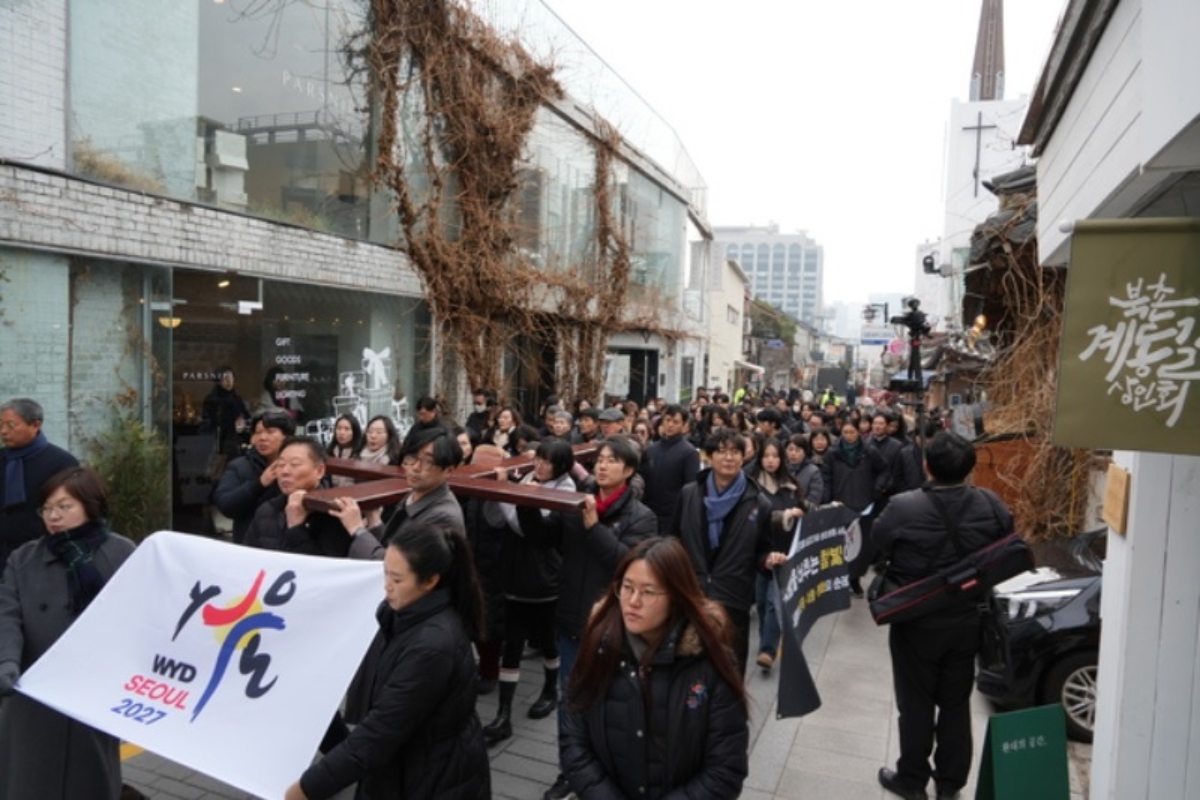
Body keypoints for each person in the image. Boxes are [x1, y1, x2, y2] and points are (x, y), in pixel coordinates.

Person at [286, 523, 491, 800]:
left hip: (430, 779)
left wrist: (307, 788)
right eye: (385, 573)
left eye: (397, 579)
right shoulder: (407, 614)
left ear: (430, 580)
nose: (386, 586)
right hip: (411, 765)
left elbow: (379, 733)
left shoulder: (431, 647)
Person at [872, 433, 1014, 800]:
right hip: (969, 620)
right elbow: (1006, 543)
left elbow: (879, 544)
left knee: (915, 702)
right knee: (955, 701)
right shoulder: (991, 503)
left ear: (926, 465)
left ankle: (911, 779)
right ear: (969, 468)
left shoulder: (902, 507)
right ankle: (949, 785)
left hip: (916, 621)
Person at [520, 437, 657, 800]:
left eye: (613, 461)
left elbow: (628, 565)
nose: (602, 465)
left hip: (613, 627)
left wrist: (594, 527)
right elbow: (543, 538)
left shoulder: (641, 517)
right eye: (600, 459)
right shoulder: (576, 502)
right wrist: (528, 504)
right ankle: (570, 770)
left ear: (628, 471)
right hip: (570, 621)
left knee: (607, 702)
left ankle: (607, 770)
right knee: (570, 701)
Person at [561, 537, 749, 799]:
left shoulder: (711, 662)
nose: (633, 601)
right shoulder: (598, 645)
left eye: (648, 592)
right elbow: (573, 741)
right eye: (626, 587)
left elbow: (725, 770)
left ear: (677, 596)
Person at [0, 467, 136, 799]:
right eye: (47, 508)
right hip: (32, 689)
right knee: (27, 778)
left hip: (93, 692)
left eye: (65, 506)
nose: (54, 516)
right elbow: (7, 614)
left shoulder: (123, 553)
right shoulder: (24, 558)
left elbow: (140, 620)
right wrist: (6, 662)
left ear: (91, 506)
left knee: (88, 779)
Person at [480, 439, 576, 744]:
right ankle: (503, 714)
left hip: (545, 579)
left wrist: (509, 493)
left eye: (547, 461)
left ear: (560, 465)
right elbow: (496, 520)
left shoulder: (566, 488)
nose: (540, 465)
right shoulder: (526, 480)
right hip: (513, 575)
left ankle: (550, 690)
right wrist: (499, 494)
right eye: (539, 459)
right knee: (512, 644)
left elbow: (531, 530)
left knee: (548, 640)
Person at [668, 428, 786, 673]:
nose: (728, 458)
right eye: (721, 452)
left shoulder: (758, 503)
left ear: (744, 457)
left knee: (728, 671)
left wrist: (769, 560)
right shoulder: (690, 494)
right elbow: (674, 542)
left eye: (735, 452)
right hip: (691, 595)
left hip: (733, 598)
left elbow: (761, 551)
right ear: (709, 457)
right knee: (686, 669)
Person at [744, 437, 802, 672]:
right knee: (760, 600)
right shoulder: (751, 485)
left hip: (784, 553)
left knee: (772, 602)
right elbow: (754, 517)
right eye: (766, 456)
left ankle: (767, 649)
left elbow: (803, 509)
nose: (770, 461)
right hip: (759, 553)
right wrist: (784, 515)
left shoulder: (791, 486)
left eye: (775, 456)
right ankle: (765, 645)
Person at [0, 398, 80, 567]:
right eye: (1, 424)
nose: (4, 431)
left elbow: (72, 513)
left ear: (35, 425)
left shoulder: (62, 463)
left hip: (42, 555)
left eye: (11, 425)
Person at [821, 420, 890, 597]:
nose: (849, 436)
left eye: (852, 432)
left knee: (861, 546)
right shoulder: (833, 453)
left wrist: (877, 489)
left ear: (859, 433)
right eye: (845, 432)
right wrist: (828, 501)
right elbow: (827, 478)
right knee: (839, 545)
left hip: (864, 506)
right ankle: (839, 580)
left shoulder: (869, 451)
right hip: (840, 505)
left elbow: (884, 470)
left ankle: (855, 579)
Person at [213, 411, 296, 544]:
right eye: (258, 433)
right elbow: (226, 505)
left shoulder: (301, 466)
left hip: (290, 546)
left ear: (286, 436)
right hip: (251, 546)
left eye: (270, 432)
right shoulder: (239, 466)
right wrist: (259, 484)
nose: (262, 438)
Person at [640, 404, 699, 535]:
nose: (670, 425)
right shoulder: (651, 449)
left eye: (675, 422)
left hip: (672, 516)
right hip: (649, 512)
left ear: (684, 425)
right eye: (667, 420)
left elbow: (691, 487)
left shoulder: (689, 452)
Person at [201, 367, 251, 461]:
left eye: (231, 378)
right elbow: (210, 421)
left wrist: (242, 422)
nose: (229, 381)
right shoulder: (213, 400)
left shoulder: (236, 399)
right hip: (221, 440)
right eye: (225, 378)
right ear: (219, 381)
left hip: (238, 439)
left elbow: (245, 415)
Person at [325, 413, 363, 487]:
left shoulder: (361, 453)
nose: (341, 433)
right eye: (339, 428)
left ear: (354, 432)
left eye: (347, 429)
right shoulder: (329, 452)